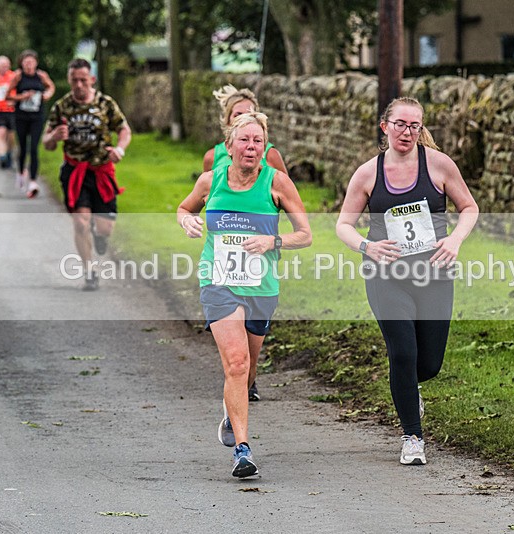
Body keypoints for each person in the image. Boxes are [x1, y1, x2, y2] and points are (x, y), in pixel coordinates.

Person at [336, 97, 478, 465]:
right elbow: (343, 225)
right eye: (400, 124)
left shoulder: (439, 165)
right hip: (388, 275)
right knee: (402, 352)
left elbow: (469, 207)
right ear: (385, 126)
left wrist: (455, 239)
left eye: (414, 125)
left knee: (428, 364)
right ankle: (412, 436)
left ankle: (408, 387)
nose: (407, 132)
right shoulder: (368, 173)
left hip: (433, 273)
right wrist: (368, 247)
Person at [178, 112, 311, 478]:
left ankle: (232, 405)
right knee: (235, 363)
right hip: (218, 281)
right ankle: (242, 448)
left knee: (248, 370)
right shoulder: (211, 181)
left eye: (258, 141)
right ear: (229, 145)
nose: (251, 147)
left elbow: (306, 234)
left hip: (261, 287)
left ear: (264, 147)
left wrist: (273, 240)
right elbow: (185, 208)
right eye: (244, 140)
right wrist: (186, 219)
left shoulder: (277, 183)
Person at [203, 84, 288, 402]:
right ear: (228, 123)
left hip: (260, 259)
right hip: (222, 264)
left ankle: (247, 380)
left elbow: (282, 198)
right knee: (235, 350)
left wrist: (271, 239)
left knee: (254, 342)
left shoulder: (271, 156)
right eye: (239, 115)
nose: (246, 119)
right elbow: (209, 199)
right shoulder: (213, 157)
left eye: (251, 114)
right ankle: (236, 378)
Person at [43, 58, 131, 291]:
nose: (79, 85)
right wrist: (53, 137)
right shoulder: (61, 107)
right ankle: (90, 271)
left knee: (105, 228)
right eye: (74, 80)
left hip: (101, 171)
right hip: (75, 172)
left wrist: (120, 149)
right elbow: (46, 143)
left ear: (91, 79)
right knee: (81, 223)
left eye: (83, 80)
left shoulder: (105, 103)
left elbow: (124, 129)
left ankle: (101, 237)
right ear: (69, 80)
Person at [202, 84, 287, 175]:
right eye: (238, 115)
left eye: (249, 114)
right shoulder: (211, 157)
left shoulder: (271, 155)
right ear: (227, 119)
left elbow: (286, 187)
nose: (244, 120)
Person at [9, 50, 55, 198]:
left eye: (31, 62)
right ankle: (21, 172)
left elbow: (51, 87)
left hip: (37, 116)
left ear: (36, 63)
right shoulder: (17, 76)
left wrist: (47, 94)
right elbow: (8, 95)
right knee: (23, 147)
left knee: (34, 147)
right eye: (26, 62)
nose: (29, 65)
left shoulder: (41, 76)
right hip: (21, 116)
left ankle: (33, 181)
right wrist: (22, 96)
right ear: (21, 64)